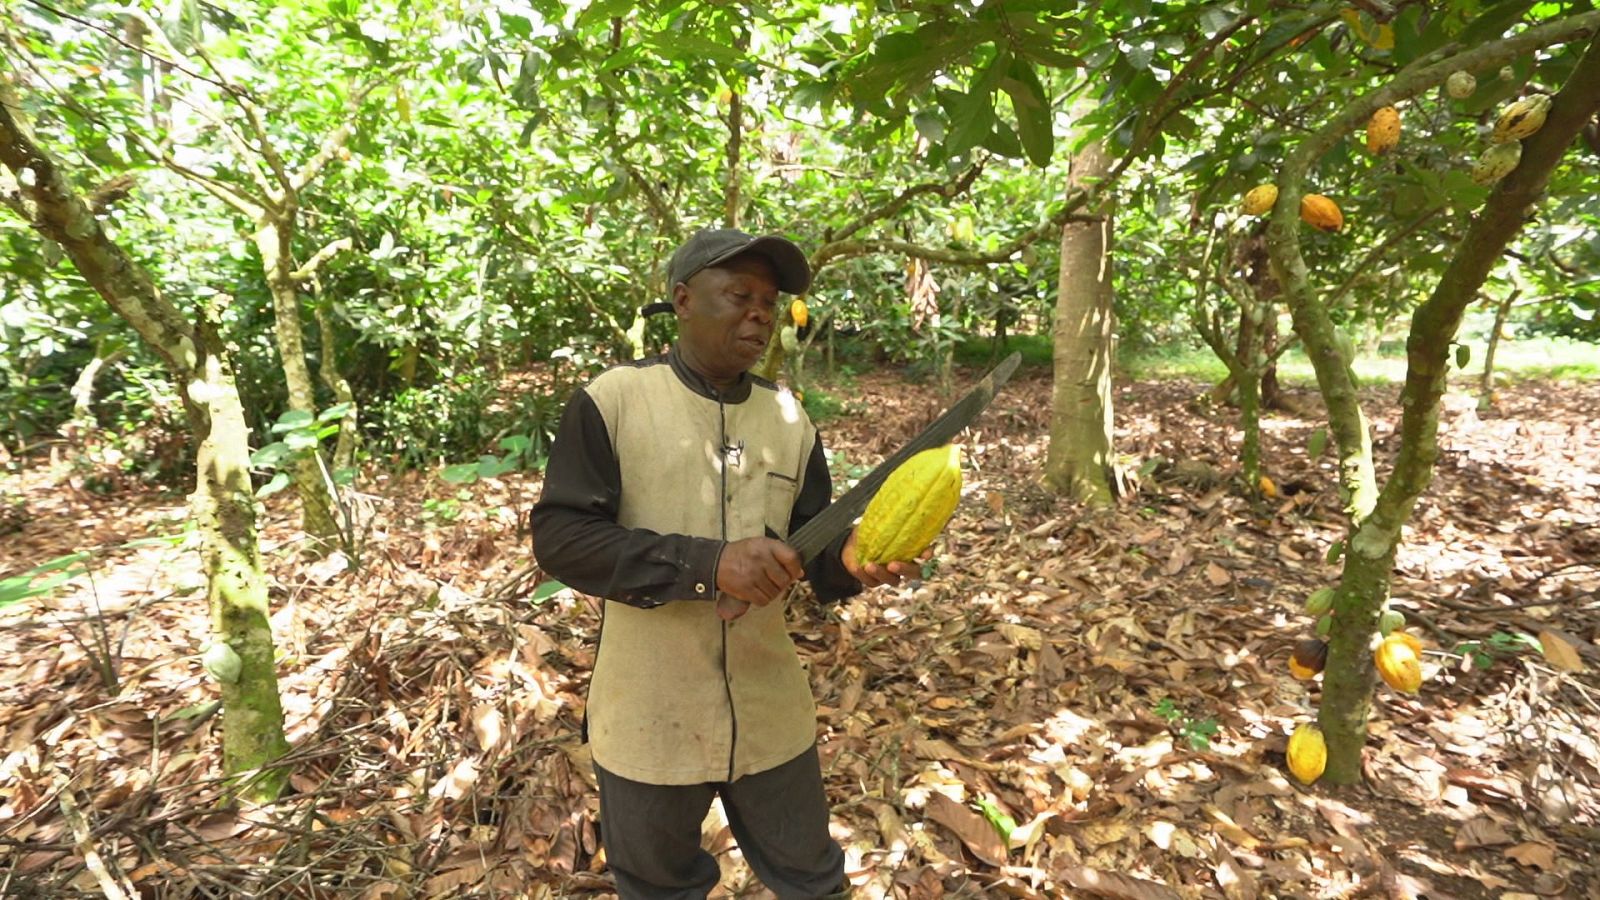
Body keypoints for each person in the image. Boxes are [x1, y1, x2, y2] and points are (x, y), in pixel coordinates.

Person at [530, 227, 922, 899]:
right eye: (739, 295)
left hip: (769, 708)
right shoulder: (614, 401)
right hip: (648, 710)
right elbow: (562, 537)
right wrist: (710, 564)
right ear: (683, 300)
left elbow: (809, 546)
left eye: (769, 302)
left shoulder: (790, 420)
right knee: (661, 888)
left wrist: (851, 561)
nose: (760, 315)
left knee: (814, 880)